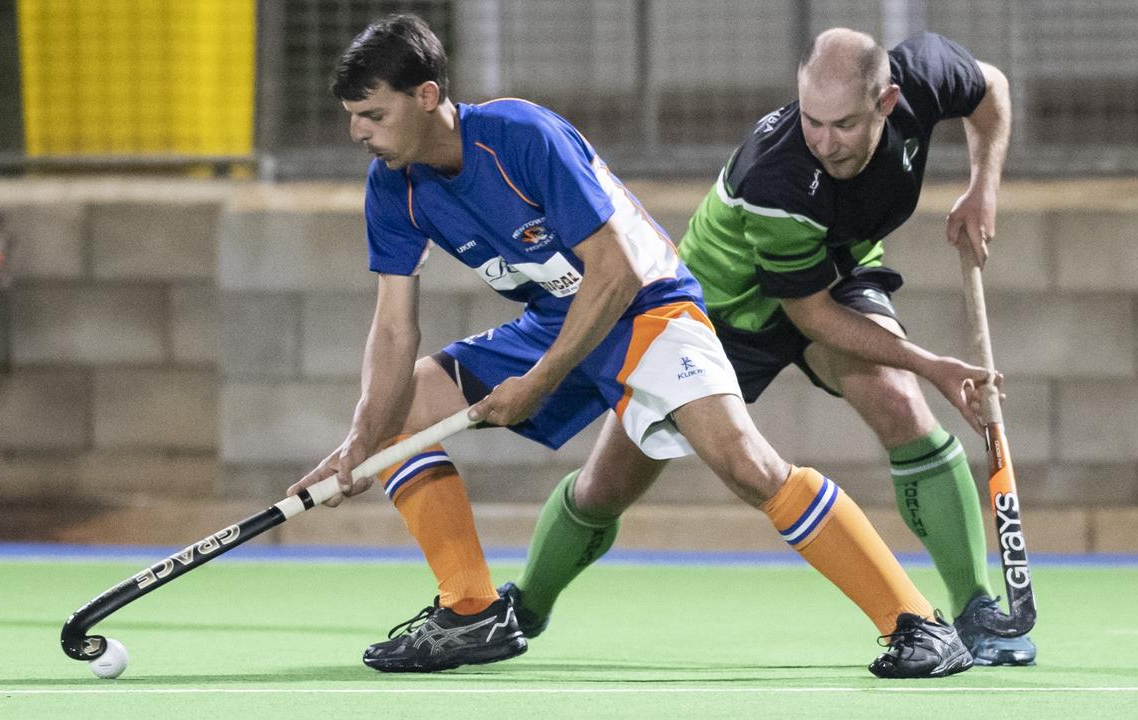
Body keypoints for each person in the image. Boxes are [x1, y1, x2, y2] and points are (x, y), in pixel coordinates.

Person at [292, 14, 975, 679]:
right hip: (552, 319)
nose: (359, 133)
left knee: (747, 465)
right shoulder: (393, 186)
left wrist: (539, 381)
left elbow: (615, 271)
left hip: (647, 307)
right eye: (353, 116)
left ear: (427, 98)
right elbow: (392, 329)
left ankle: (916, 622)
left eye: (373, 116)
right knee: (401, 417)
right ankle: (471, 610)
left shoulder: (521, 137)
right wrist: (363, 443)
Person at [501, 28, 1035, 667]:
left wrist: (984, 187)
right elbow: (808, 316)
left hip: (838, 267)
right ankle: (522, 608)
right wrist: (933, 363)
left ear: (888, 102)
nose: (824, 141)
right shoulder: (777, 174)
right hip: (716, 308)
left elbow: (992, 91)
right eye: (812, 120)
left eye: (842, 124)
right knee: (606, 487)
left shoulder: (923, 75)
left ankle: (976, 608)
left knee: (898, 402)